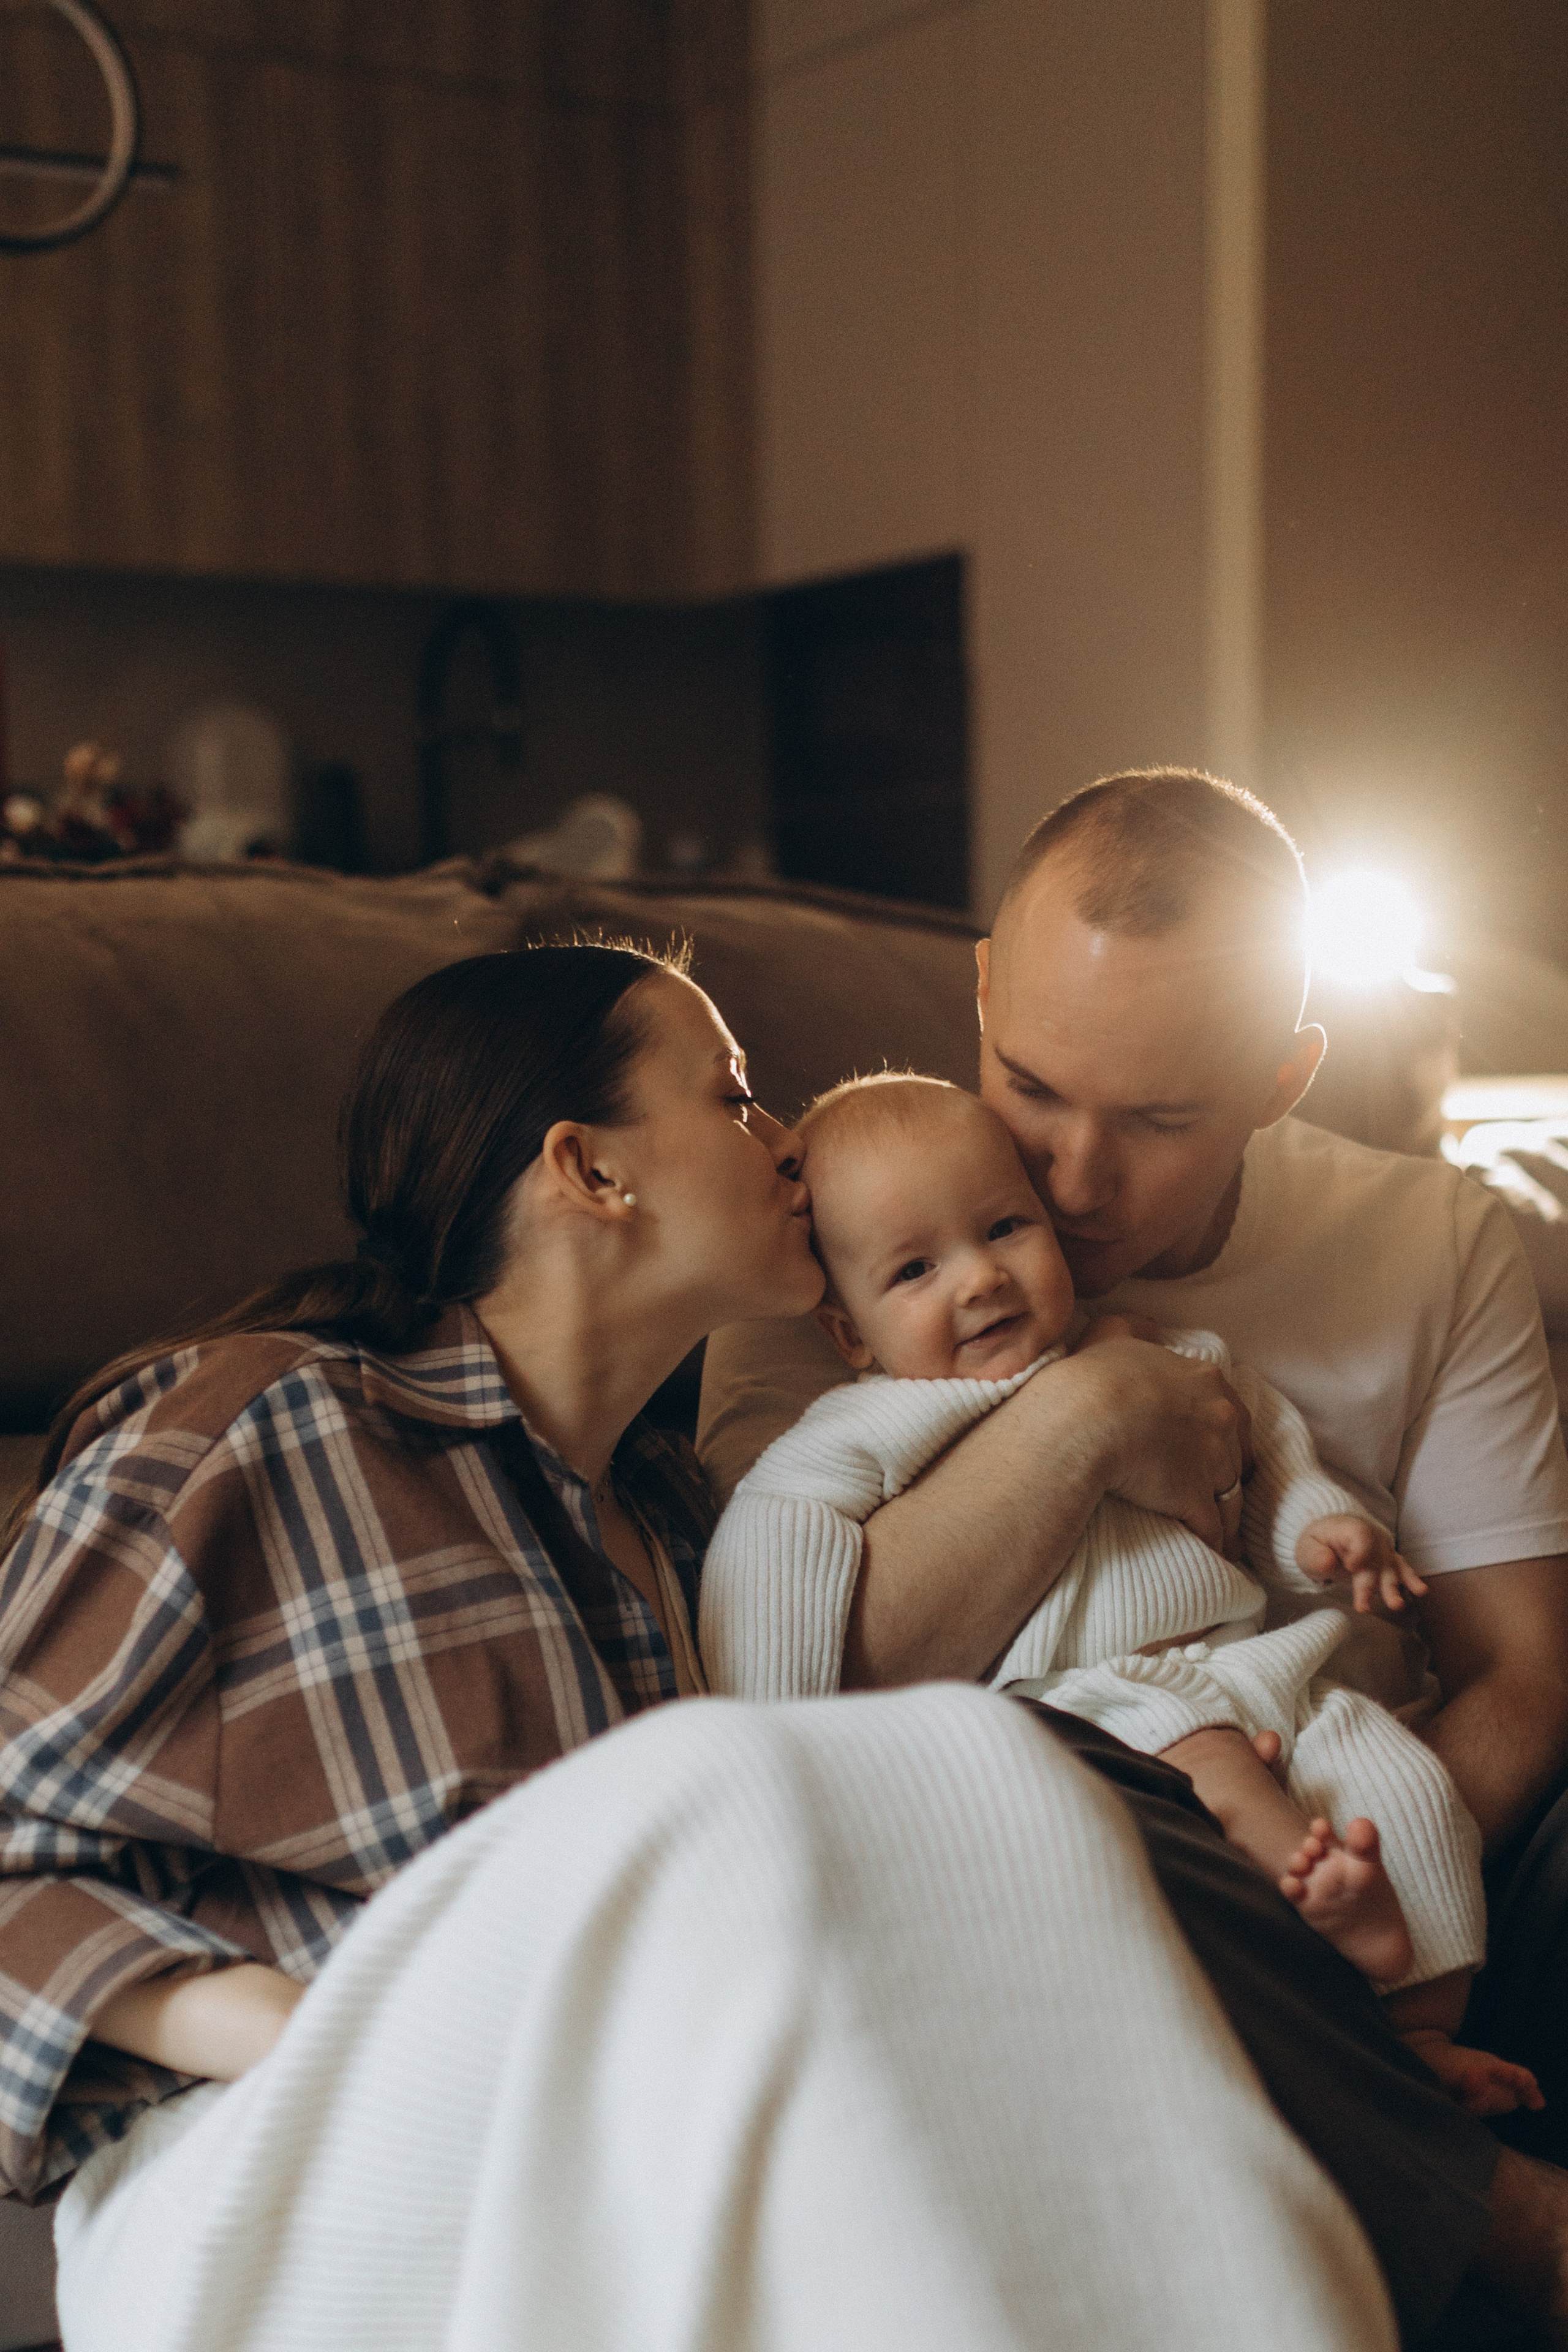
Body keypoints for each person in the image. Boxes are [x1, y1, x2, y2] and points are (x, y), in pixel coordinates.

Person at [0, 936, 1562, 2350]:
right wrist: (296, 2028)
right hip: (287, 2175)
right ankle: (1504, 2233)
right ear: (591, 1173)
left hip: (620, 2141)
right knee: (881, 1771)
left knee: (1048, 1788)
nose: (792, 1146)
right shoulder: (284, 1422)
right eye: (739, 1099)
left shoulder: (680, 1531)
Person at [698, 767, 1568, 2158]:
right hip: (1038, 1867)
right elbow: (814, 1694)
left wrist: (1339, 1879)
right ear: (982, 995)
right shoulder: (840, 1239)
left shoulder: (1428, 1237)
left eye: (1161, 1120)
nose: (1073, 1180)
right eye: (1032, 1087)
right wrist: (1091, 1408)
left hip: (1371, 1831)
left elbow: (1521, 1672)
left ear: (1283, 1075)